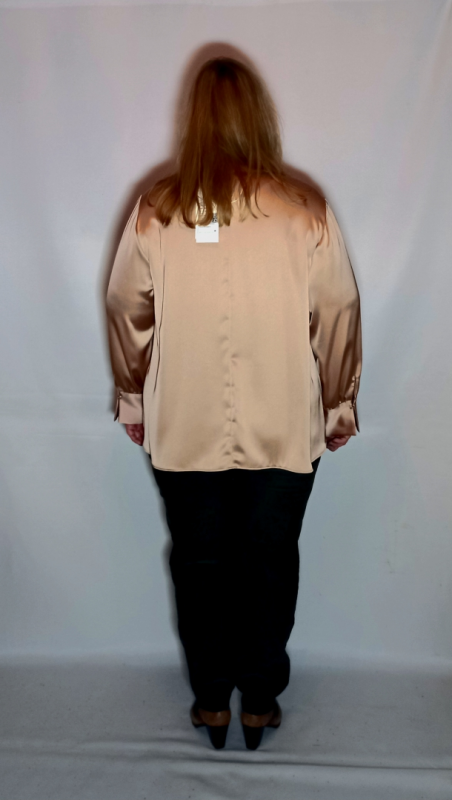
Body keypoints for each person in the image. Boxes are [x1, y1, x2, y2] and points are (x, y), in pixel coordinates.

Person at [105, 56, 362, 751]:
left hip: (183, 426)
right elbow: (339, 312)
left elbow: (125, 307)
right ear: (260, 117)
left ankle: (213, 700)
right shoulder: (303, 210)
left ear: (192, 119)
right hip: (285, 426)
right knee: (270, 563)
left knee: (201, 565)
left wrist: (133, 397)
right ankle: (260, 701)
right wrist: (339, 406)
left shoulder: (158, 212)